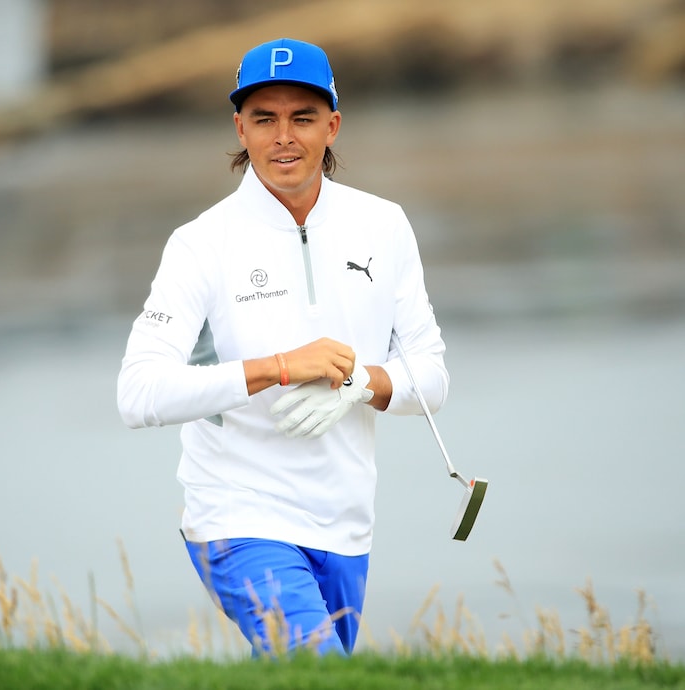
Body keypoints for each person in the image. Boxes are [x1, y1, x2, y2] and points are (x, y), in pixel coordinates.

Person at [116, 37, 448, 656]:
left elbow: (430, 376)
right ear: (240, 128)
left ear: (333, 125)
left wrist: (361, 386)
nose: (283, 137)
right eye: (264, 119)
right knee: (315, 663)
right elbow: (137, 395)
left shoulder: (384, 225)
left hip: (346, 525)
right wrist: (275, 369)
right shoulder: (201, 244)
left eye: (301, 117)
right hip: (236, 517)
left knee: (312, 671)